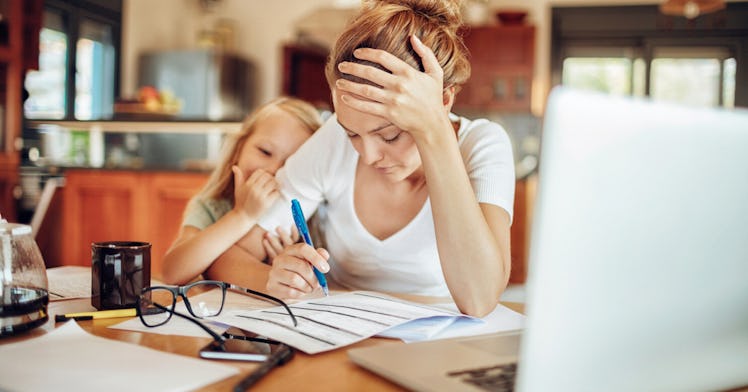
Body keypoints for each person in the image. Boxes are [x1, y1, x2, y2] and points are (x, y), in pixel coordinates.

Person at [209, 0, 515, 317]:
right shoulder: (333, 140)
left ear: (444, 100)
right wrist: (273, 278)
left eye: (390, 135)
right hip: (338, 335)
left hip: (435, 346)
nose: (368, 155)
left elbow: (479, 299)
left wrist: (434, 133)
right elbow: (226, 256)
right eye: (352, 134)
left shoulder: (481, 144)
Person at [160, 97, 323, 286]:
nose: (274, 169)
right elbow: (172, 272)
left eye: (290, 164)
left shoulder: (312, 214)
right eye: (265, 151)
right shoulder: (212, 206)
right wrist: (243, 215)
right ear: (239, 148)